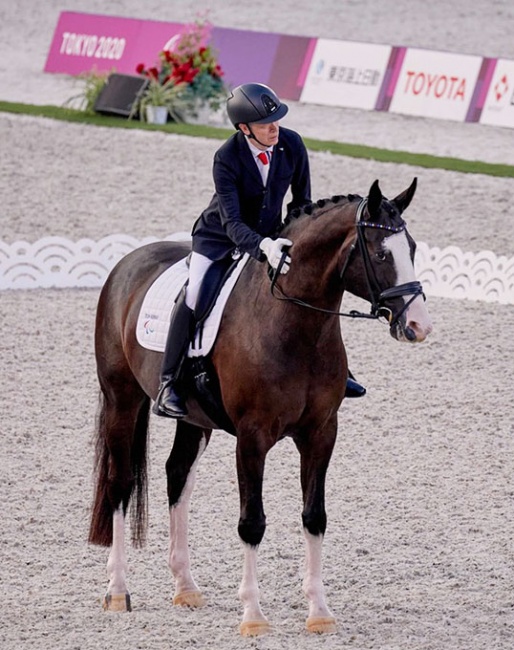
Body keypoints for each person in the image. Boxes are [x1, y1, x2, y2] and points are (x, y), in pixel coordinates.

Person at [153, 82, 365, 419]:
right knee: (195, 295)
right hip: (219, 240)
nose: (274, 127)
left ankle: (338, 372)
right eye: (266, 124)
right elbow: (232, 221)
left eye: (277, 119)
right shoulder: (226, 158)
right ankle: (169, 382)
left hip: (273, 236)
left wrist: (296, 240)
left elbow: (302, 204)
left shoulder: (291, 144)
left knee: (311, 288)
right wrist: (262, 245)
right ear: (244, 129)